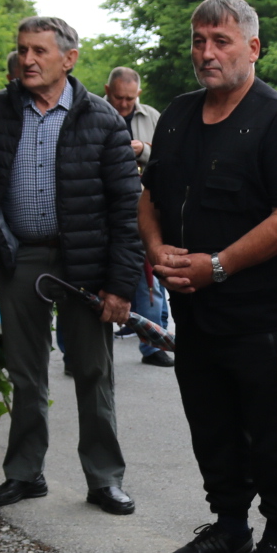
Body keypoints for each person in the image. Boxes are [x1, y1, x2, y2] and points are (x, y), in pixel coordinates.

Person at [140, 0, 277, 553]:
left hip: (261, 312)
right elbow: (150, 196)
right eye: (199, 40)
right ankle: (228, 524)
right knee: (211, 422)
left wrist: (216, 266)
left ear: (253, 47)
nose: (207, 52)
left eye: (220, 40)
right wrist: (155, 247)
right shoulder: (177, 116)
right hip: (195, 310)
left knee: (274, 429)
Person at [0, 16, 141, 517]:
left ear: (69, 58)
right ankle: (23, 473)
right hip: (21, 256)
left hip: (84, 259)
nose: (28, 60)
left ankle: (104, 479)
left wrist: (119, 286)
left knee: (92, 370)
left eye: (39, 50)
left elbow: (127, 210)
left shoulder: (102, 118)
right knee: (24, 372)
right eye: (22, 50)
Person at [105, 67, 172, 368]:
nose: (123, 104)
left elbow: (169, 156)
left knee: (150, 278)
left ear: (138, 95)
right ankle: (76, 352)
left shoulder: (152, 117)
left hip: (144, 206)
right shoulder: (92, 112)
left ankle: (152, 344)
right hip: (104, 209)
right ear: (107, 90)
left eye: (129, 99)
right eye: (118, 97)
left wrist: (142, 149)